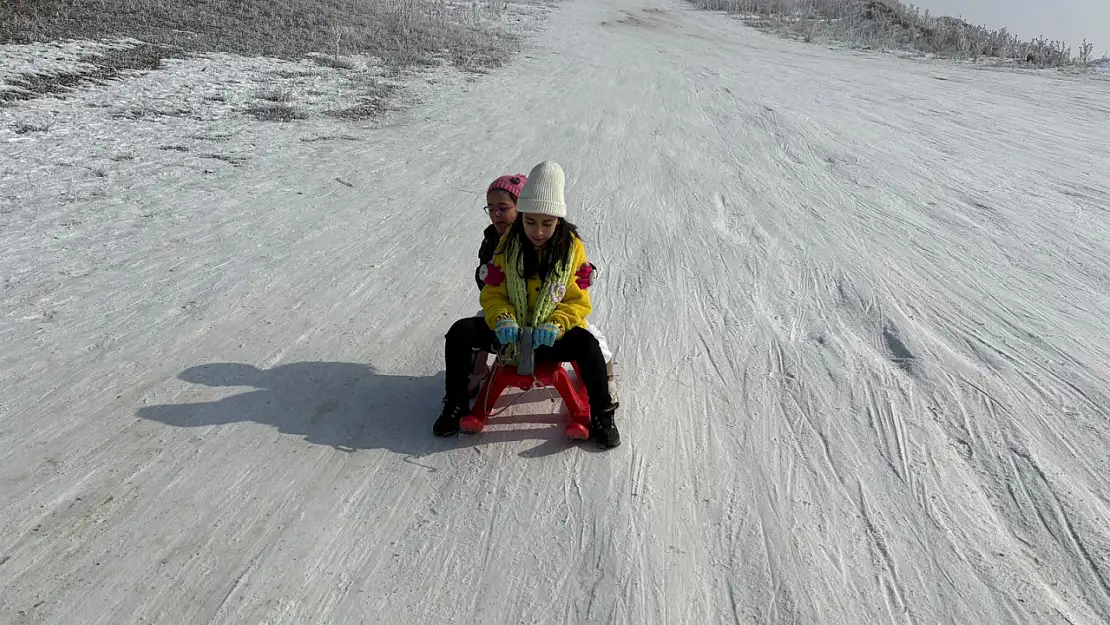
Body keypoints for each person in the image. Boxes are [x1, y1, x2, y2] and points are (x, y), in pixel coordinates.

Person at [435, 161, 621, 449]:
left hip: (549, 333)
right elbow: (493, 292)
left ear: (558, 219)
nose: (537, 231)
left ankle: (601, 414)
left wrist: (557, 323)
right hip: (511, 333)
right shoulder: (507, 245)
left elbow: (578, 301)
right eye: (530, 222)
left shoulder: (572, 249)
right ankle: (455, 402)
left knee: (586, 344)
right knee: (461, 332)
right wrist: (502, 317)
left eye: (547, 223)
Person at [469, 173, 614, 392]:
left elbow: (571, 270)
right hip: (510, 308)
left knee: (592, 338)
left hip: (551, 311)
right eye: (491, 208)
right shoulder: (493, 239)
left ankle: (606, 376)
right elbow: (488, 285)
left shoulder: (550, 238)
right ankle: (478, 372)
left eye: (503, 208)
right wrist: (488, 278)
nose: (496, 215)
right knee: (477, 326)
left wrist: (587, 271)